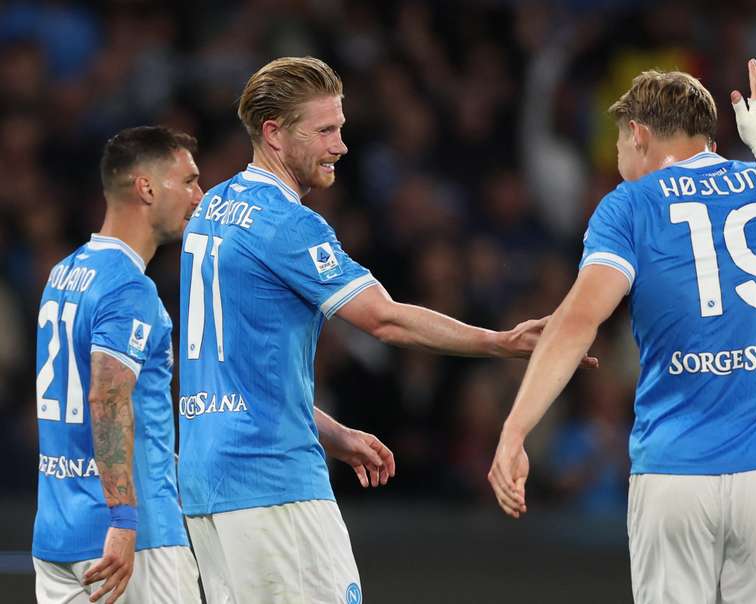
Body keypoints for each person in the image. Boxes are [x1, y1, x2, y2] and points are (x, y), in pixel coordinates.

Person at [177, 56, 594, 604]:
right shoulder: (289, 223)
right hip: (271, 479)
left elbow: (230, 372)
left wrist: (329, 431)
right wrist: (501, 341)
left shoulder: (211, 211)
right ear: (274, 134)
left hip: (207, 483)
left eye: (341, 129)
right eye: (325, 131)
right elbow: (385, 318)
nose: (340, 146)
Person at [488, 59, 756, 604]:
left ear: (638, 134)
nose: (617, 161)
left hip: (676, 471)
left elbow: (578, 322)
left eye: (617, 145)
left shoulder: (630, 205)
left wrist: (515, 431)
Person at [32, 126, 204, 603]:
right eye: (188, 181)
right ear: (145, 187)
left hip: (58, 532)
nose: (199, 195)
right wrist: (125, 520)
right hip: (131, 540)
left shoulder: (64, 272)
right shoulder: (129, 289)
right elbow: (106, 397)